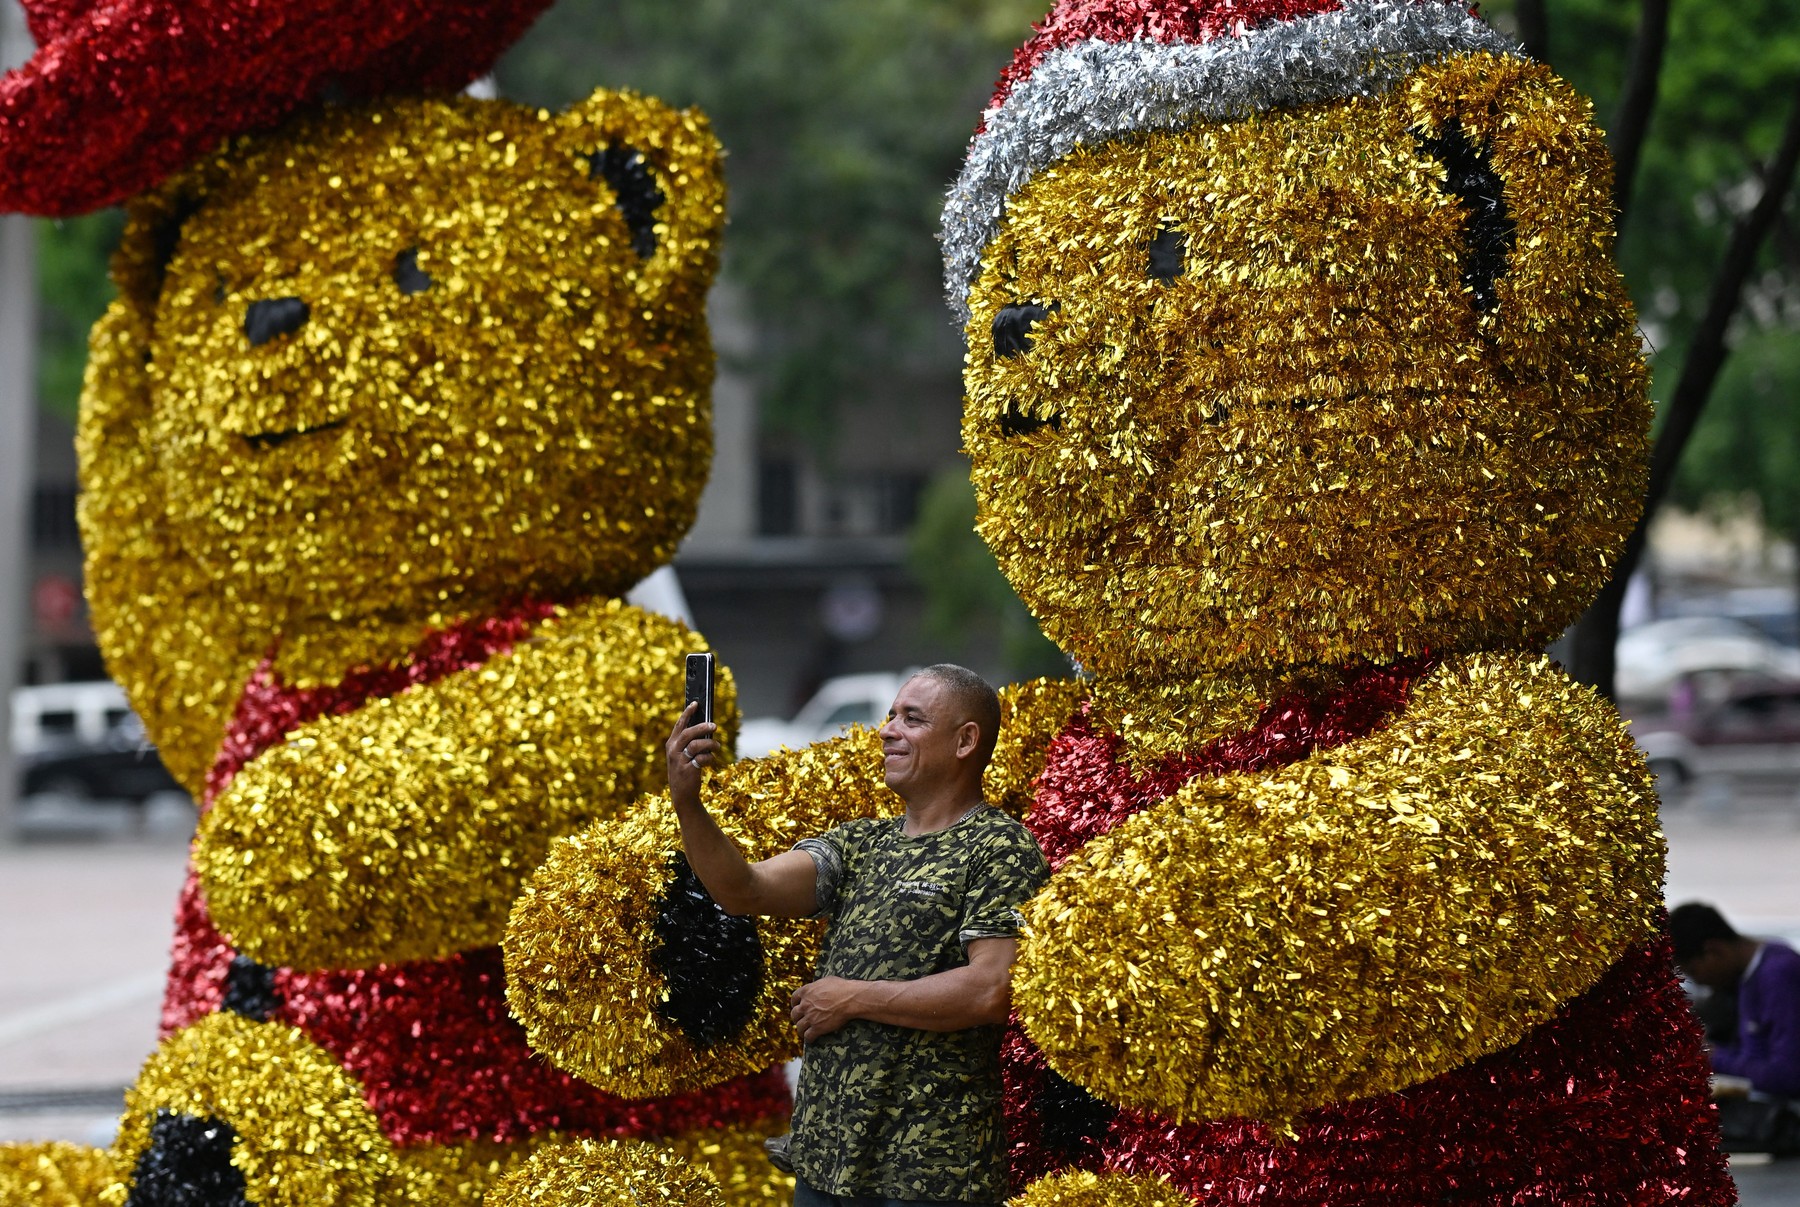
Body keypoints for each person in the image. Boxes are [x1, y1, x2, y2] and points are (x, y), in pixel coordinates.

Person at [667, 664, 1049, 1207]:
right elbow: (744, 890)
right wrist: (687, 802)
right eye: (891, 715)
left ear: (966, 740)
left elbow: (991, 990)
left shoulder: (999, 848)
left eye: (911, 719)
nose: (888, 730)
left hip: (929, 1172)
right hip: (826, 1165)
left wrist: (851, 998)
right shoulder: (862, 843)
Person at [1670, 901, 1800, 1155]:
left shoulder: (1778, 974)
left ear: (1714, 950)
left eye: (1695, 972)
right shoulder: (1747, 976)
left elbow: (1789, 1075)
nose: (1701, 983)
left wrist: (1713, 1056)